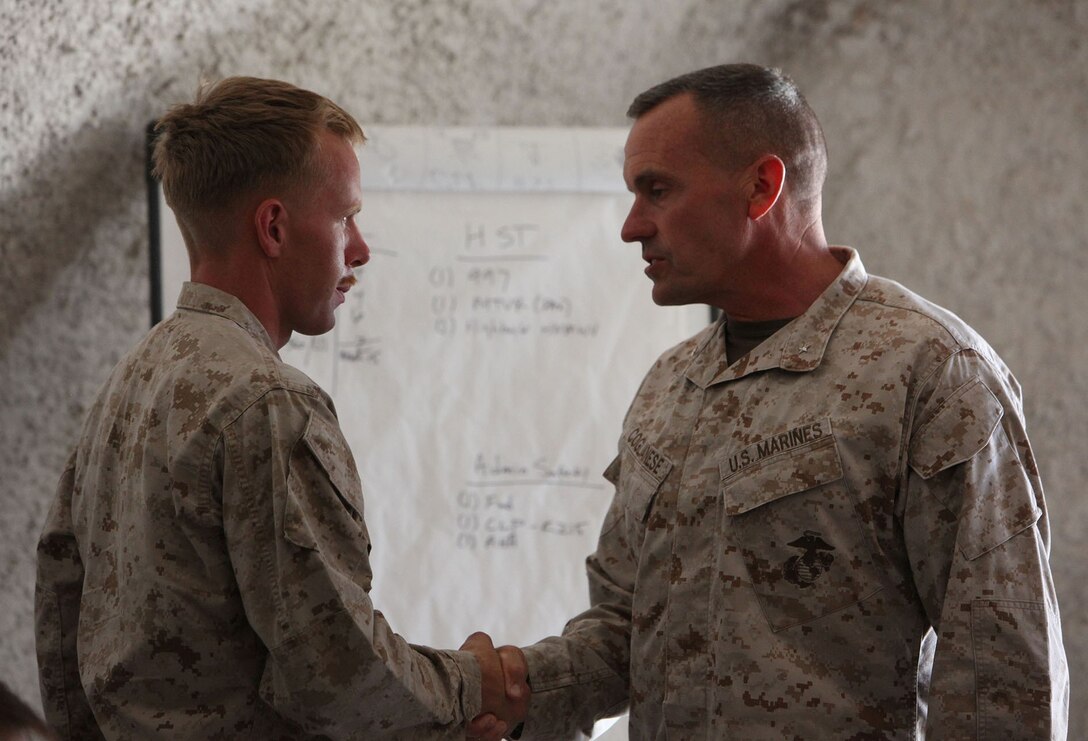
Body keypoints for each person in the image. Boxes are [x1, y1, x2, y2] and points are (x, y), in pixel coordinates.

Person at [487, 63, 1070, 738]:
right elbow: (624, 629)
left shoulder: (930, 371)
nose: (631, 226)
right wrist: (507, 685)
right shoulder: (669, 385)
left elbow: (1004, 675)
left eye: (657, 191)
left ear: (762, 186)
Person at [34, 76, 526, 740]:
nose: (360, 248)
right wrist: (472, 683)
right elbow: (340, 674)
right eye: (345, 216)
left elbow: (62, 630)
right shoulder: (266, 403)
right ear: (273, 226)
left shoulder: (131, 381)